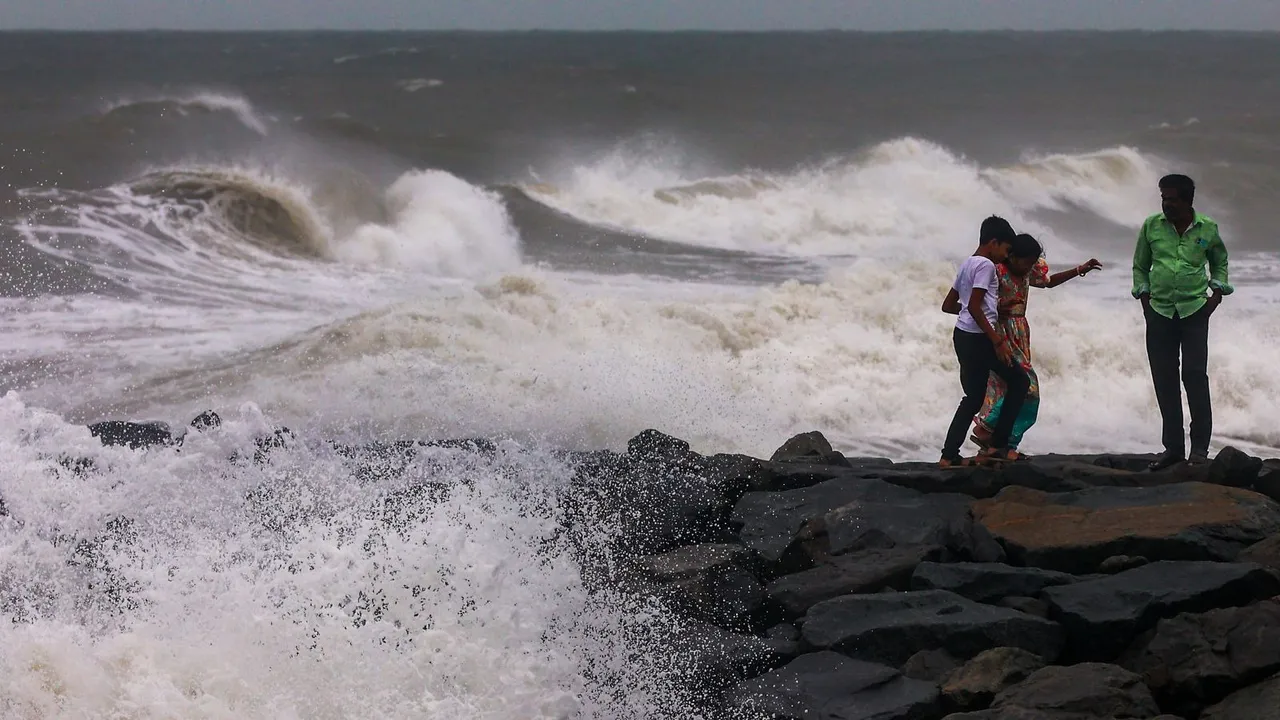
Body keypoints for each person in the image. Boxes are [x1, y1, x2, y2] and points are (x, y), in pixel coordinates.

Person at [1133, 173, 1233, 470]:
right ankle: (1173, 449)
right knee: (1165, 381)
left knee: (1194, 376)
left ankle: (1200, 449)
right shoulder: (1151, 226)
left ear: (1187, 200)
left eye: (1171, 199)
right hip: (1159, 312)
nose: (1166, 204)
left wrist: (1217, 293)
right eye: (1163, 198)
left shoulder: (1207, 228)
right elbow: (1140, 266)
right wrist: (1144, 299)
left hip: (1194, 311)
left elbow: (1220, 261)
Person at [970, 233, 1102, 453]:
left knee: (1011, 388)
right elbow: (980, 303)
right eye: (1026, 262)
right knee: (1027, 387)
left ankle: (1001, 444)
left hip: (1020, 332)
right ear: (1012, 257)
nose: (1029, 268)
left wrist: (1079, 270)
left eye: (1033, 263)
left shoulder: (1028, 270)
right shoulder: (997, 272)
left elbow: (1049, 282)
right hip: (1001, 333)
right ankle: (986, 428)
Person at [938, 216, 1028, 466]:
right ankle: (998, 446)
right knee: (1020, 381)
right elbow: (975, 306)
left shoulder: (967, 264)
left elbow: (949, 306)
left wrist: (984, 312)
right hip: (980, 339)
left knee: (973, 397)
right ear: (993, 243)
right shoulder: (987, 266)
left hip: (963, 335)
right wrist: (997, 341)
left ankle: (948, 456)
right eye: (1006, 250)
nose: (1006, 257)